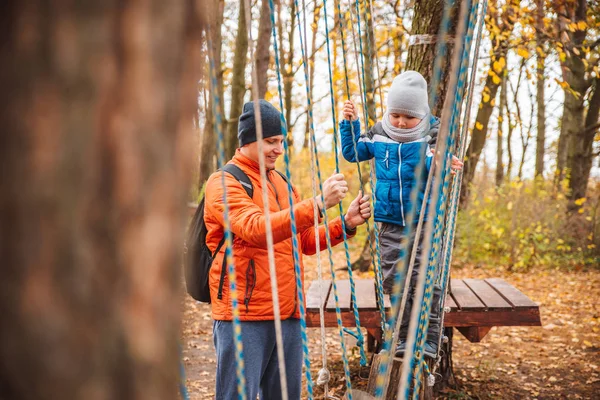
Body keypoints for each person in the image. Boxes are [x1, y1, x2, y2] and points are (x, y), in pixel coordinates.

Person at [204, 99, 371, 400]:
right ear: (248, 141)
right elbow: (255, 229)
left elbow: (303, 240)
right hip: (244, 317)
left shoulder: (282, 182)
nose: (278, 149)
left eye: (281, 141)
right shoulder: (223, 183)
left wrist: (344, 224)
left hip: (289, 314)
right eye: (270, 141)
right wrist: (318, 203)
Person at [339, 71, 463, 359]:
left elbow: (442, 163)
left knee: (423, 279)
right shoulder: (378, 135)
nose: (401, 122)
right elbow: (352, 153)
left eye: (409, 117)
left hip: (423, 224)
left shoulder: (430, 140)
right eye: (395, 114)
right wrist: (350, 124)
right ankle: (404, 337)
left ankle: (429, 338)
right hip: (389, 224)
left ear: (421, 115)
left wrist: (449, 164)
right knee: (394, 281)